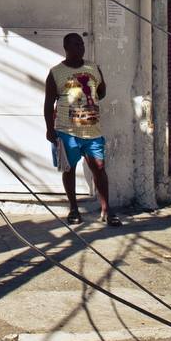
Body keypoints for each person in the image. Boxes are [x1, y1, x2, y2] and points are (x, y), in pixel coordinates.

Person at [44, 32, 122, 226]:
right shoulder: (55, 73)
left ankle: (106, 210)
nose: (80, 48)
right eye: (75, 45)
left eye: (81, 44)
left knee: (99, 169)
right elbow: (48, 104)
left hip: (92, 131)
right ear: (66, 48)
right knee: (69, 170)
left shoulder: (93, 68)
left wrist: (88, 106)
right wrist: (49, 130)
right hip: (66, 131)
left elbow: (101, 92)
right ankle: (73, 209)